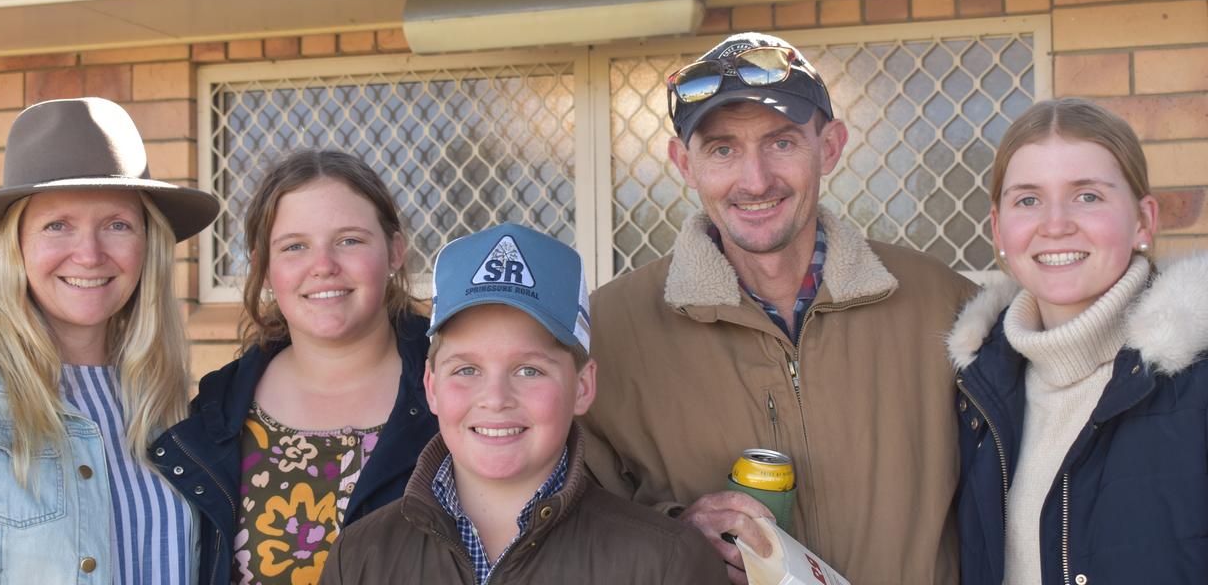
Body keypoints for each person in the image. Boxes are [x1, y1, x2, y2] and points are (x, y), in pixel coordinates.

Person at [580, 32, 978, 584]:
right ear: (684, 163)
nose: (756, 180)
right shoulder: (610, 331)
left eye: (782, 142)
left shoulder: (944, 306)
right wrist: (675, 536)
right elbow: (569, 525)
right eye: (722, 149)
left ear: (831, 146)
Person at [320, 223, 728, 584]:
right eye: (466, 370)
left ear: (583, 387)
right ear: (431, 387)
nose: (495, 399)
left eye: (529, 370)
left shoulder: (666, 563)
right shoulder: (360, 558)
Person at [0, 97, 220, 584]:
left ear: (150, 246)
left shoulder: (166, 399)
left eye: (117, 225)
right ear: (15, 245)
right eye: (57, 225)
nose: (89, 254)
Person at [949, 98, 1208, 584]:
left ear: (1143, 220)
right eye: (1028, 199)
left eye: (1087, 195)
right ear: (998, 229)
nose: (1055, 223)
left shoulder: (1197, 387)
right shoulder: (972, 396)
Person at [149, 149, 437, 585]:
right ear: (264, 268)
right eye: (295, 246)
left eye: (350, 240)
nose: (323, 266)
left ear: (395, 251)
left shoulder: (457, 389)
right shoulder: (214, 416)